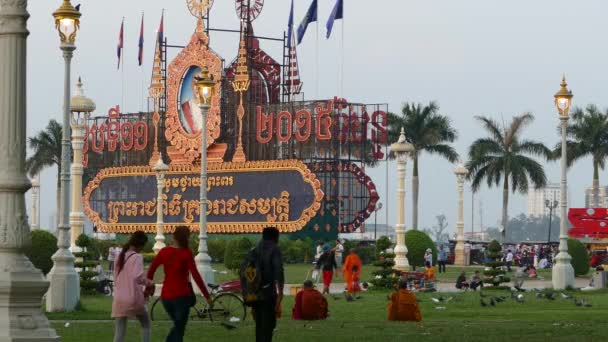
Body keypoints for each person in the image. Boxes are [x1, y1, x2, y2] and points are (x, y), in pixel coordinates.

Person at [147, 226, 211, 342]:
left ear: (173, 236)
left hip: (166, 298)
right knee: (179, 328)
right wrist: (207, 296)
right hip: (181, 297)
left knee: (179, 329)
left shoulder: (164, 252)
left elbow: (151, 271)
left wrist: (150, 288)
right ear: (187, 238)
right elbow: (196, 276)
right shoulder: (186, 253)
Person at [111, 231, 155, 342]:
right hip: (133, 298)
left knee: (119, 331)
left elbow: (116, 277)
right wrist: (150, 283)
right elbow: (138, 277)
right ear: (140, 244)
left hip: (119, 298)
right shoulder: (137, 257)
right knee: (146, 324)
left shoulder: (119, 256)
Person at [249, 227, 284, 342]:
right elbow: (278, 271)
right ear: (275, 237)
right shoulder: (275, 249)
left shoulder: (254, 250)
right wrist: (280, 293)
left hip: (254, 293)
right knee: (268, 327)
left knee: (259, 327)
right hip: (268, 293)